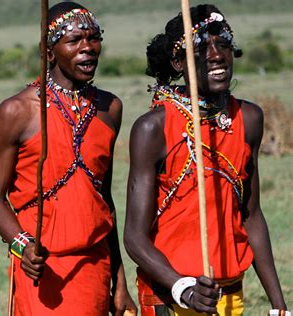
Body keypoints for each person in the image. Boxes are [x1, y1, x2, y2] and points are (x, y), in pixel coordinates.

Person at [124, 4, 289, 316]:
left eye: (223, 44)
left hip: (229, 294)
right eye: (200, 48)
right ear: (177, 62)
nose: (216, 55)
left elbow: (251, 216)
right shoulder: (154, 128)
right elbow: (134, 238)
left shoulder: (248, 118)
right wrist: (182, 288)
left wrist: (279, 306)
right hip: (170, 297)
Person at [0, 2, 137, 315]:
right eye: (75, 40)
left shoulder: (110, 108)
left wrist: (119, 280)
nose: (88, 48)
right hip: (42, 271)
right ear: (49, 51)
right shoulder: (18, 111)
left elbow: (103, 199)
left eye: (94, 38)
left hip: (95, 265)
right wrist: (22, 246)